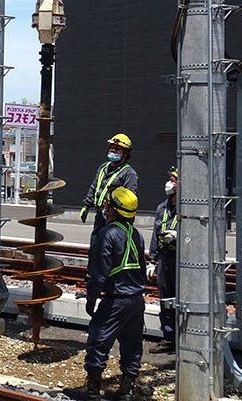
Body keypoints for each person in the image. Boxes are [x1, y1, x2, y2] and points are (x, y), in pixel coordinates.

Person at [83, 186, 146, 401]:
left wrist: (91, 300)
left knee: (98, 341)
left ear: (113, 210)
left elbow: (98, 273)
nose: (105, 207)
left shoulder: (108, 234)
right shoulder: (136, 234)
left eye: (107, 204)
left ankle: (92, 390)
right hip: (137, 301)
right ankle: (126, 390)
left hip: (116, 300)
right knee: (131, 344)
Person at [80, 134, 139, 244]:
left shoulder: (129, 174)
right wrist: (86, 205)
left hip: (116, 219)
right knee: (96, 246)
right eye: (111, 148)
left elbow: (130, 200)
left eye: (117, 149)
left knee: (110, 249)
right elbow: (94, 187)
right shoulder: (103, 168)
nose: (113, 151)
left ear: (125, 153)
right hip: (101, 216)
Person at [147, 166, 178, 354]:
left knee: (181, 299)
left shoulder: (188, 208)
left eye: (174, 180)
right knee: (165, 298)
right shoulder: (162, 208)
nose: (170, 184)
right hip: (166, 259)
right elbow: (155, 235)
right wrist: (152, 260)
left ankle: (183, 339)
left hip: (181, 261)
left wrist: (178, 235)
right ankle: (168, 337)